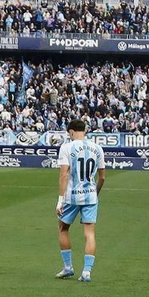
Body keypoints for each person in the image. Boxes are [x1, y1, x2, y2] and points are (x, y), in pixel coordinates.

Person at [54, 118, 106, 283]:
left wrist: (60, 200)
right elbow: (103, 177)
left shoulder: (67, 147)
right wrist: (95, 192)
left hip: (72, 195)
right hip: (90, 195)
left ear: (70, 132)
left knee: (63, 228)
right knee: (89, 233)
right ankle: (87, 272)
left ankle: (68, 267)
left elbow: (64, 174)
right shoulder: (97, 148)